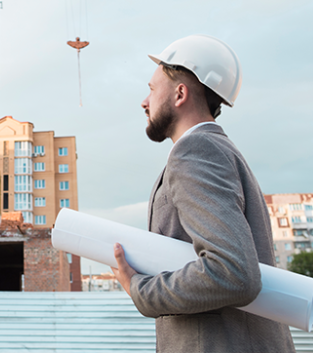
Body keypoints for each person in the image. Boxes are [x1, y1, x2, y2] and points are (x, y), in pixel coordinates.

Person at [110, 35, 296, 353]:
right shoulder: (219, 150)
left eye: (152, 90)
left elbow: (233, 273)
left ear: (180, 93)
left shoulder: (197, 151)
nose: (144, 101)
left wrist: (140, 288)